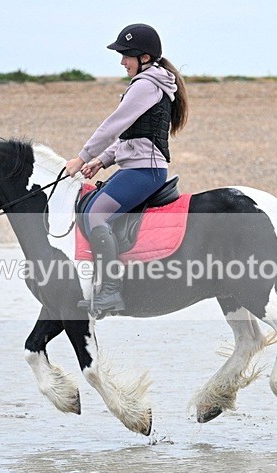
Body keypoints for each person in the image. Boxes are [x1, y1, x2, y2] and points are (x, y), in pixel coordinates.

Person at [65, 23, 189, 314]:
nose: (122, 62)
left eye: (126, 56)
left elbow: (113, 125)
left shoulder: (146, 85)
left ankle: (110, 292)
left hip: (145, 172)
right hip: (134, 167)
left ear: (144, 58)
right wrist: (102, 160)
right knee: (89, 207)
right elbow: (130, 136)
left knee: (96, 215)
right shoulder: (148, 83)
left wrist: (82, 158)